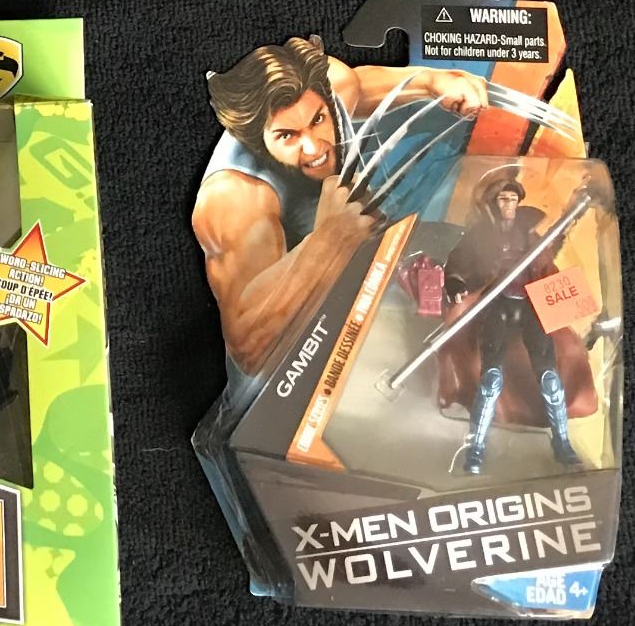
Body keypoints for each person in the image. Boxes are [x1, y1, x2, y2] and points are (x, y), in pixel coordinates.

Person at [193, 37, 487, 371]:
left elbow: (358, 87)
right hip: (307, 359)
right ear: (258, 142)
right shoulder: (234, 198)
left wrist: (432, 81)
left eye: (317, 120)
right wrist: (330, 241)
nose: (314, 148)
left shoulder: (332, 88)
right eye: (287, 136)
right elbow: (249, 349)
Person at [442, 171, 583, 474]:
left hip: (529, 304)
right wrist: (455, 281)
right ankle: (475, 449)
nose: (508, 204)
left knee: (550, 378)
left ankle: (562, 444)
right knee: (491, 379)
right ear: (494, 202)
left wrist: (570, 217)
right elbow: (458, 260)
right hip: (497, 304)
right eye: (503, 199)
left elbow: (547, 256)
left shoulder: (530, 234)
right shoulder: (480, 235)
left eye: (512, 199)